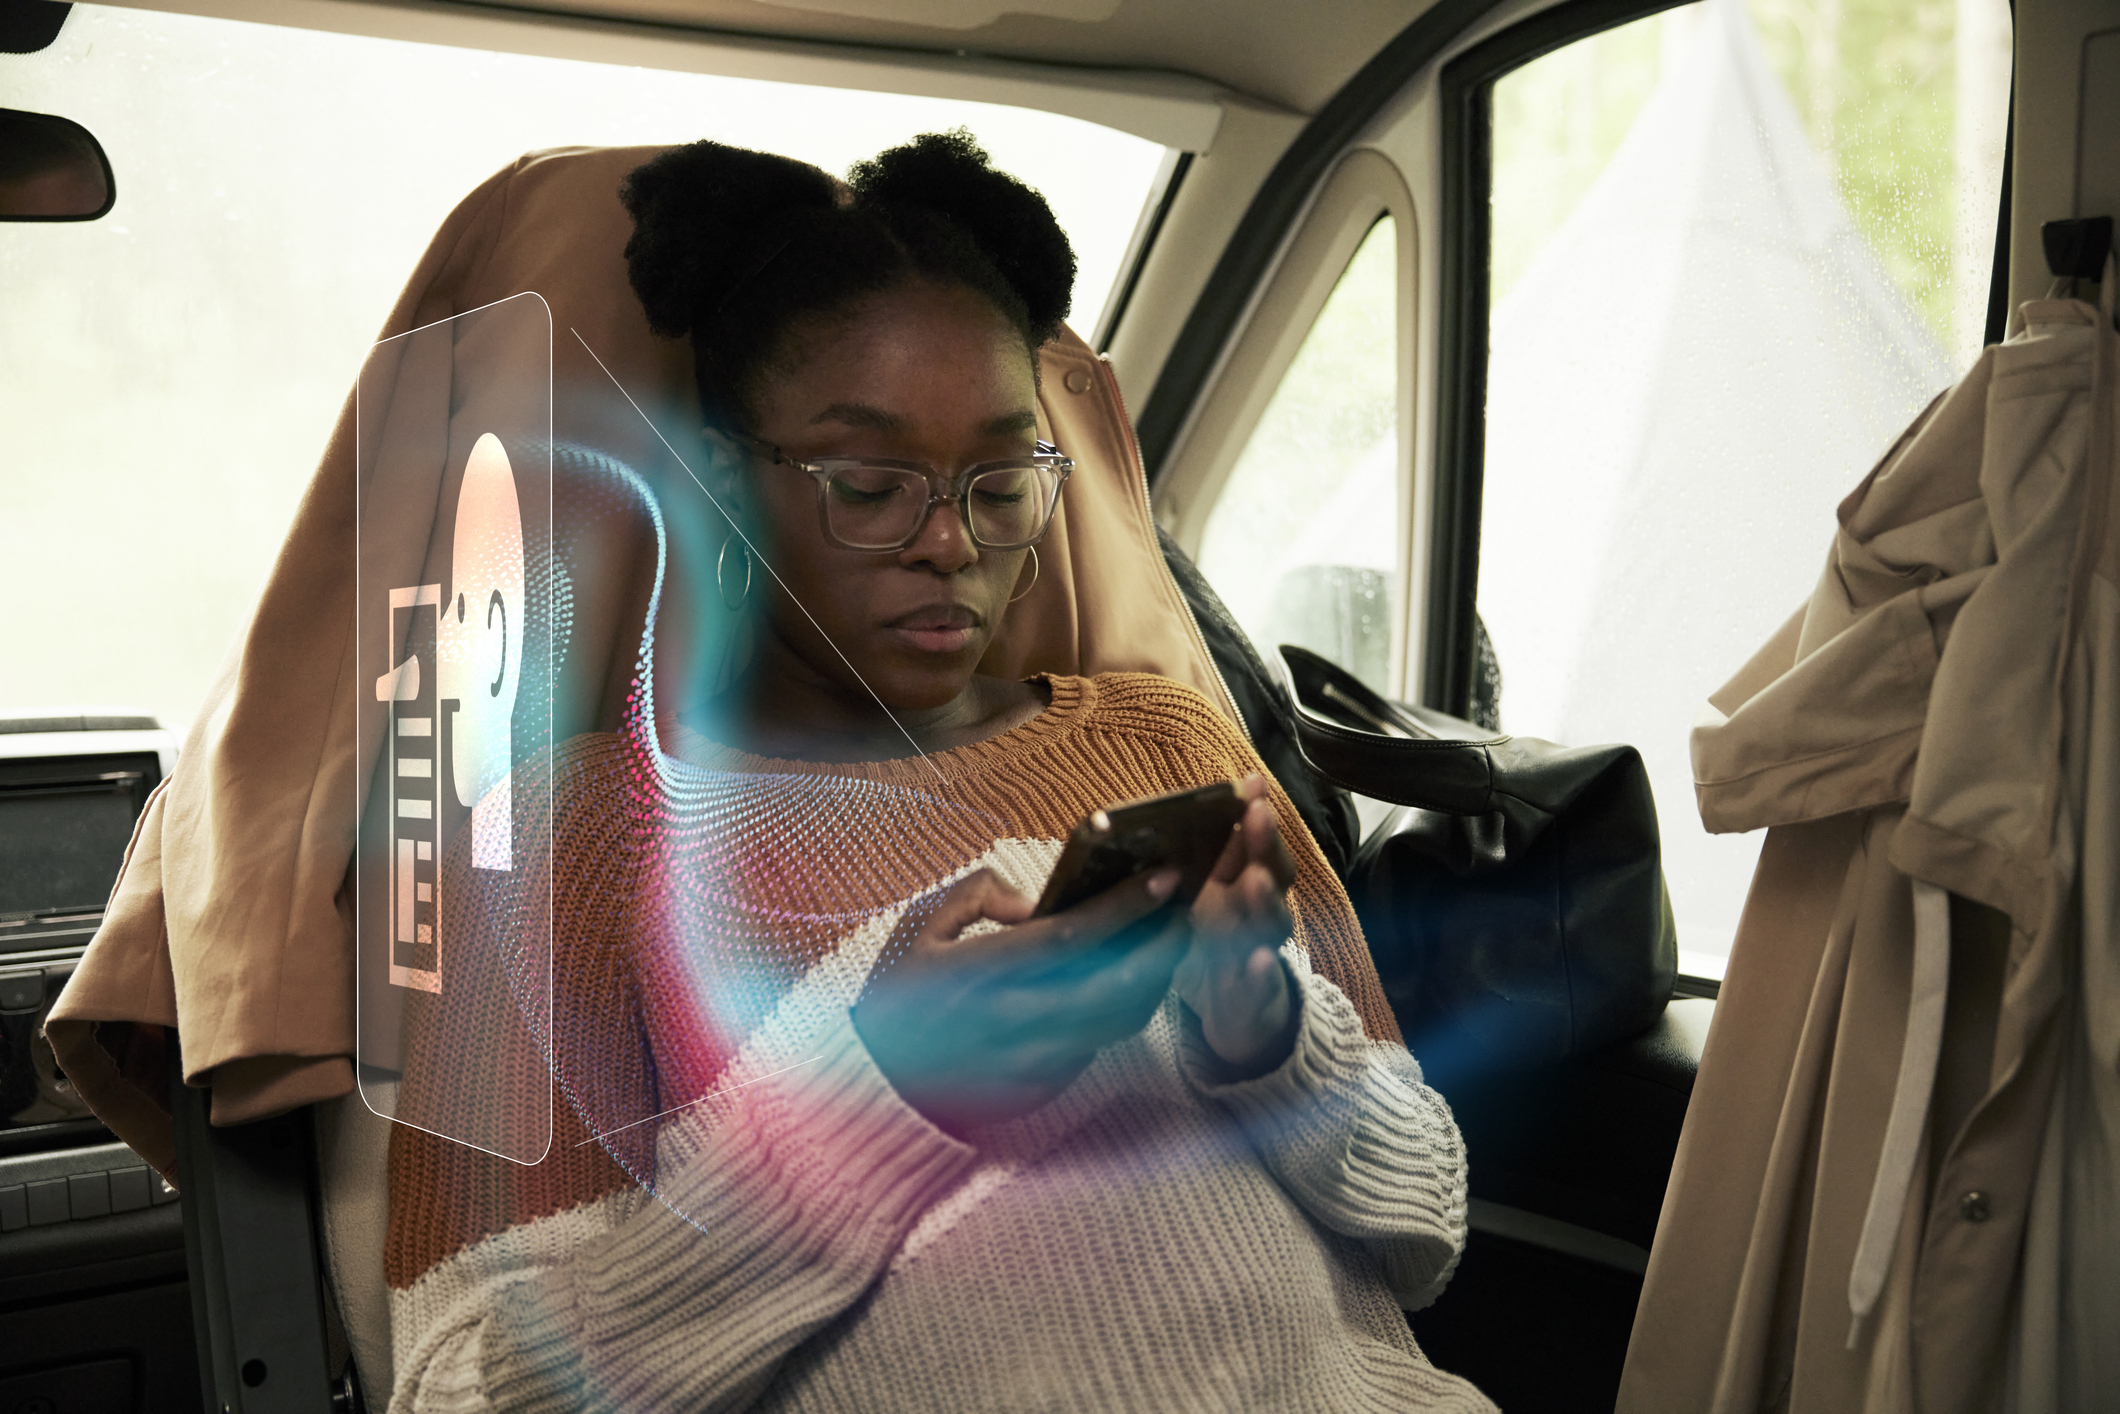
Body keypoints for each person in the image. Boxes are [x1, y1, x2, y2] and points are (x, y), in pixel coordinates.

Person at [383, 130, 1490, 1414]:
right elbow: (458, 1389)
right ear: (725, 482)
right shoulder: (576, 839)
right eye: (870, 484)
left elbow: (1428, 1227)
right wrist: (880, 1098)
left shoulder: (1168, 749)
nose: (950, 541)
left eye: (1002, 480)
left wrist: (1265, 1036)